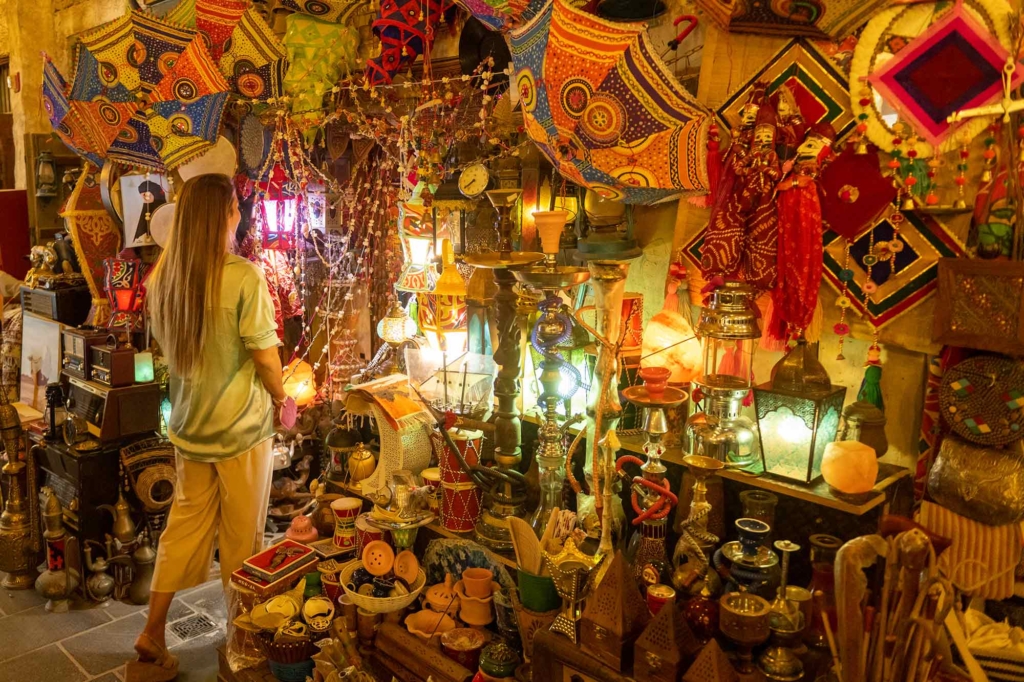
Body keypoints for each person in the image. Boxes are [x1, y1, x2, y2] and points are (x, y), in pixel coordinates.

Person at [128, 174, 288, 682]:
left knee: (182, 529)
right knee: (243, 539)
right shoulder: (244, 277)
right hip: (240, 430)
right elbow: (265, 358)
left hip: (190, 428)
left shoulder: (164, 279)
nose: (240, 215)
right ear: (226, 215)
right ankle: (241, 644)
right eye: (236, 208)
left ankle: (153, 631)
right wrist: (284, 399)